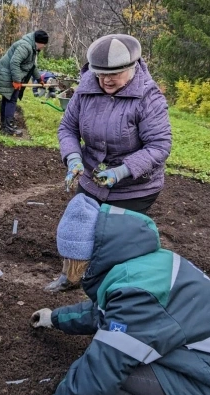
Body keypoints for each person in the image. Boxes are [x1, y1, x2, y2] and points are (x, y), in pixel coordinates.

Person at [29, 195, 210, 395]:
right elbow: (104, 313)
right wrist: (54, 318)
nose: (68, 268)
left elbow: (99, 375)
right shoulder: (143, 262)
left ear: (84, 258)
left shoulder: (136, 295)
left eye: (69, 260)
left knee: (106, 377)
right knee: (111, 355)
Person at [47, 34, 172, 292]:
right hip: (92, 176)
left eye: (115, 73)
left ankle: (110, 287)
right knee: (78, 223)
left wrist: (122, 171)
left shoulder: (149, 98)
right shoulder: (85, 90)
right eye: (100, 74)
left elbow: (159, 146)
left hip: (135, 186)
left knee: (114, 237)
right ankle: (71, 276)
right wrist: (73, 158)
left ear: (133, 67)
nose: (106, 80)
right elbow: (68, 128)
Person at [0, 30, 49, 136]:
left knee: (7, 99)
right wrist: (16, 81)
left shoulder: (31, 47)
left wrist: (39, 79)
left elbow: (31, 66)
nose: (43, 47)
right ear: (39, 42)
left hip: (8, 74)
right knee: (11, 100)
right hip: (7, 75)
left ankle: (5, 126)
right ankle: (8, 128)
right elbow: (14, 62)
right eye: (43, 44)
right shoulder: (26, 47)